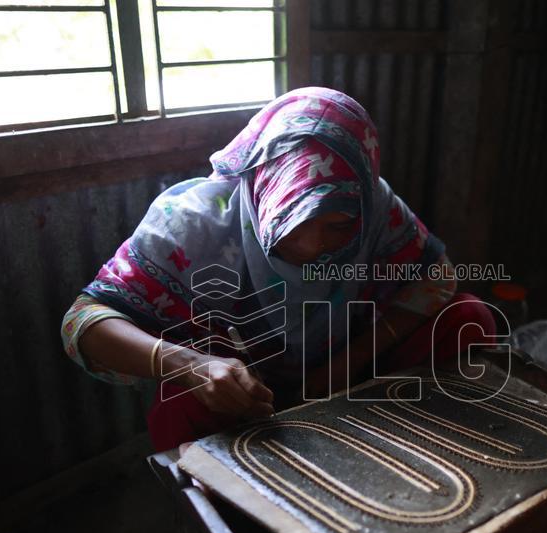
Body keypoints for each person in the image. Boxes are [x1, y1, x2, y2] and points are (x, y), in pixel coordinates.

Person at [61, 87, 497, 451]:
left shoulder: (374, 206)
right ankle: (223, 532)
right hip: (248, 395)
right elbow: (83, 322)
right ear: (265, 190)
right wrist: (190, 365)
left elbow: (435, 279)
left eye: (339, 226)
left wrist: (343, 367)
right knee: (180, 401)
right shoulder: (196, 219)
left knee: (468, 318)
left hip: (353, 376)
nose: (312, 247)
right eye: (292, 221)